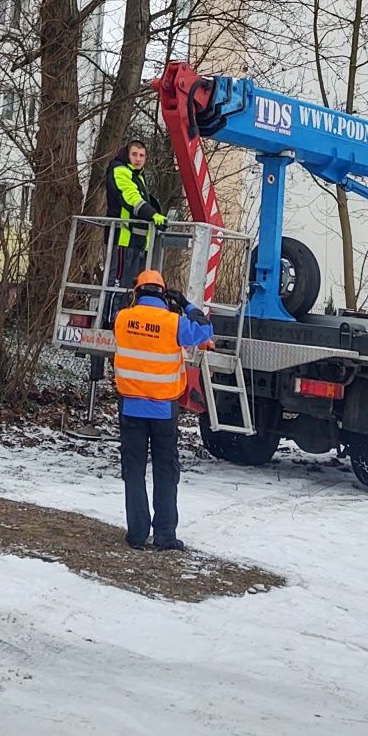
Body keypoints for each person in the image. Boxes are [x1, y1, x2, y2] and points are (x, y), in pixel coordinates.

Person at [113, 268, 214, 551]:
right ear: (164, 294)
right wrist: (185, 303)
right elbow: (206, 331)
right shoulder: (174, 323)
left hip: (131, 407)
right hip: (163, 411)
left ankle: (136, 534)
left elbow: (119, 318)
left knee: (133, 470)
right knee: (165, 470)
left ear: (137, 293)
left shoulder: (123, 319)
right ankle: (165, 536)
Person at [104, 138, 167, 291]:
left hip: (136, 242)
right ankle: (111, 316)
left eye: (142, 155)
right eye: (134, 154)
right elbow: (132, 199)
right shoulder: (120, 171)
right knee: (116, 289)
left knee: (131, 291)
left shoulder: (137, 174)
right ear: (127, 154)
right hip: (122, 240)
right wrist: (153, 214)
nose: (138, 159)